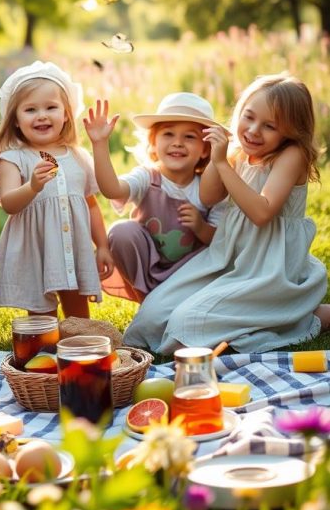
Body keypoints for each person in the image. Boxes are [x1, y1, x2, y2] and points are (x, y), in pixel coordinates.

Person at [123, 74, 330, 353]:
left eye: (269, 126)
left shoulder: (291, 156)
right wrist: (218, 158)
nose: (254, 130)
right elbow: (209, 196)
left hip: (267, 267)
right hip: (226, 259)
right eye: (249, 117)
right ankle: (264, 315)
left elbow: (261, 212)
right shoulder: (239, 150)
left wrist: (221, 162)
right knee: (150, 317)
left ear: (291, 131)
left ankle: (305, 317)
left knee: (188, 326)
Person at [0, 60, 113, 317]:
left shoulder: (78, 156)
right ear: (15, 120)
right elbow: (9, 203)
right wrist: (32, 186)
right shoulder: (13, 157)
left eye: (51, 107)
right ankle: (42, 352)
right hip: (36, 249)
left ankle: (78, 347)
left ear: (66, 113)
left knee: (79, 318)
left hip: (73, 247)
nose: (42, 115)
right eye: (30, 109)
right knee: (41, 323)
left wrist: (102, 246)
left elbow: (90, 205)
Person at [83, 92, 226, 303]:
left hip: (190, 275)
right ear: (153, 142)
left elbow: (220, 242)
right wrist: (99, 144)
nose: (177, 143)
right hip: (150, 267)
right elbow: (112, 190)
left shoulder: (209, 188)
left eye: (189, 137)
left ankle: (181, 302)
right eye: (168, 134)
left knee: (210, 256)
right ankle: (147, 300)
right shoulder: (146, 177)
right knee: (121, 232)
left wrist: (200, 227)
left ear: (205, 150)